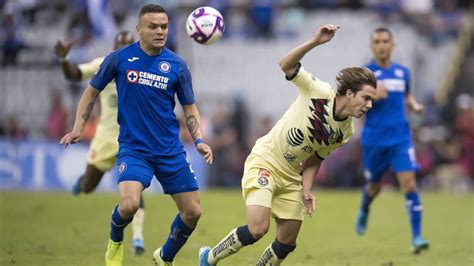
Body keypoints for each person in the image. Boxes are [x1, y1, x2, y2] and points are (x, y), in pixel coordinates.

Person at [199, 24, 377, 265]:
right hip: (266, 161)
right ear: (349, 93)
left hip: (292, 175)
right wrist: (314, 41)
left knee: (287, 241)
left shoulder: (346, 131)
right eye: (366, 98)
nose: (369, 105)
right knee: (257, 229)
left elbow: (316, 158)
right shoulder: (318, 91)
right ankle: (208, 258)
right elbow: (285, 64)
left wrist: (306, 190)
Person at [60, 4, 213, 266]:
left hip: (169, 150)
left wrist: (198, 139)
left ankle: (165, 256)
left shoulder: (177, 65)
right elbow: (90, 91)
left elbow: (189, 107)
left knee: (193, 212)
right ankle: (115, 241)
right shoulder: (118, 59)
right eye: (153, 26)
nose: (160, 31)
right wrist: (78, 128)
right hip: (134, 149)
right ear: (139, 29)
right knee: (129, 205)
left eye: (164, 26)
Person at [54, 31, 149, 254]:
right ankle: (82, 181)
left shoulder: (146, 68)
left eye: (129, 44)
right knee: (88, 187)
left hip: (133, 140)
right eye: (121, 44)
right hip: (106, 139)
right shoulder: (105, 63)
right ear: (115, 46)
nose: (125, 48)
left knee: (134, 193)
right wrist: (64, 60)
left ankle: (137, 237)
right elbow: (75, 75)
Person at [355, 27, 429, 254]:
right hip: (375, 141)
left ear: (393, 44)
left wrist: (414, 105)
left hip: (400, 139)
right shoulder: (364, 75)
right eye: (377, 41)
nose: (382, 45)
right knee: (374, 186)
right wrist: (373, 97)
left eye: (386, 41)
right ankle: (365, 207)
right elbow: (356, 105)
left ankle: (417, 237)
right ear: (371, 46)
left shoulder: (403, 72)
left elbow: (405, 94)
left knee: (409, 184)